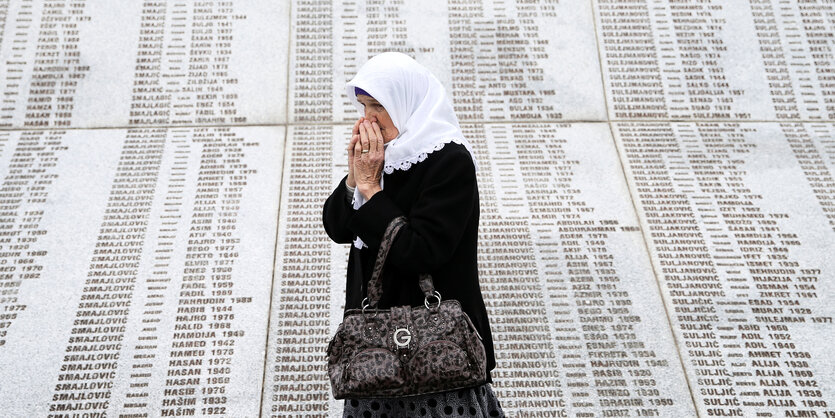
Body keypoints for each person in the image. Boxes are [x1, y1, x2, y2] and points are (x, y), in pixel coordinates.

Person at [322, 52, 505, 417]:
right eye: (362, 106)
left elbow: (422, 251)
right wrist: (354, 179)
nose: (368, 119)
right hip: (376, 356)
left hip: (437, 349)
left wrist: (373, 190)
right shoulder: (383, 157)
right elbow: (338, 228)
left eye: (378, 106)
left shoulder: (449, 160)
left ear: (406, 102)